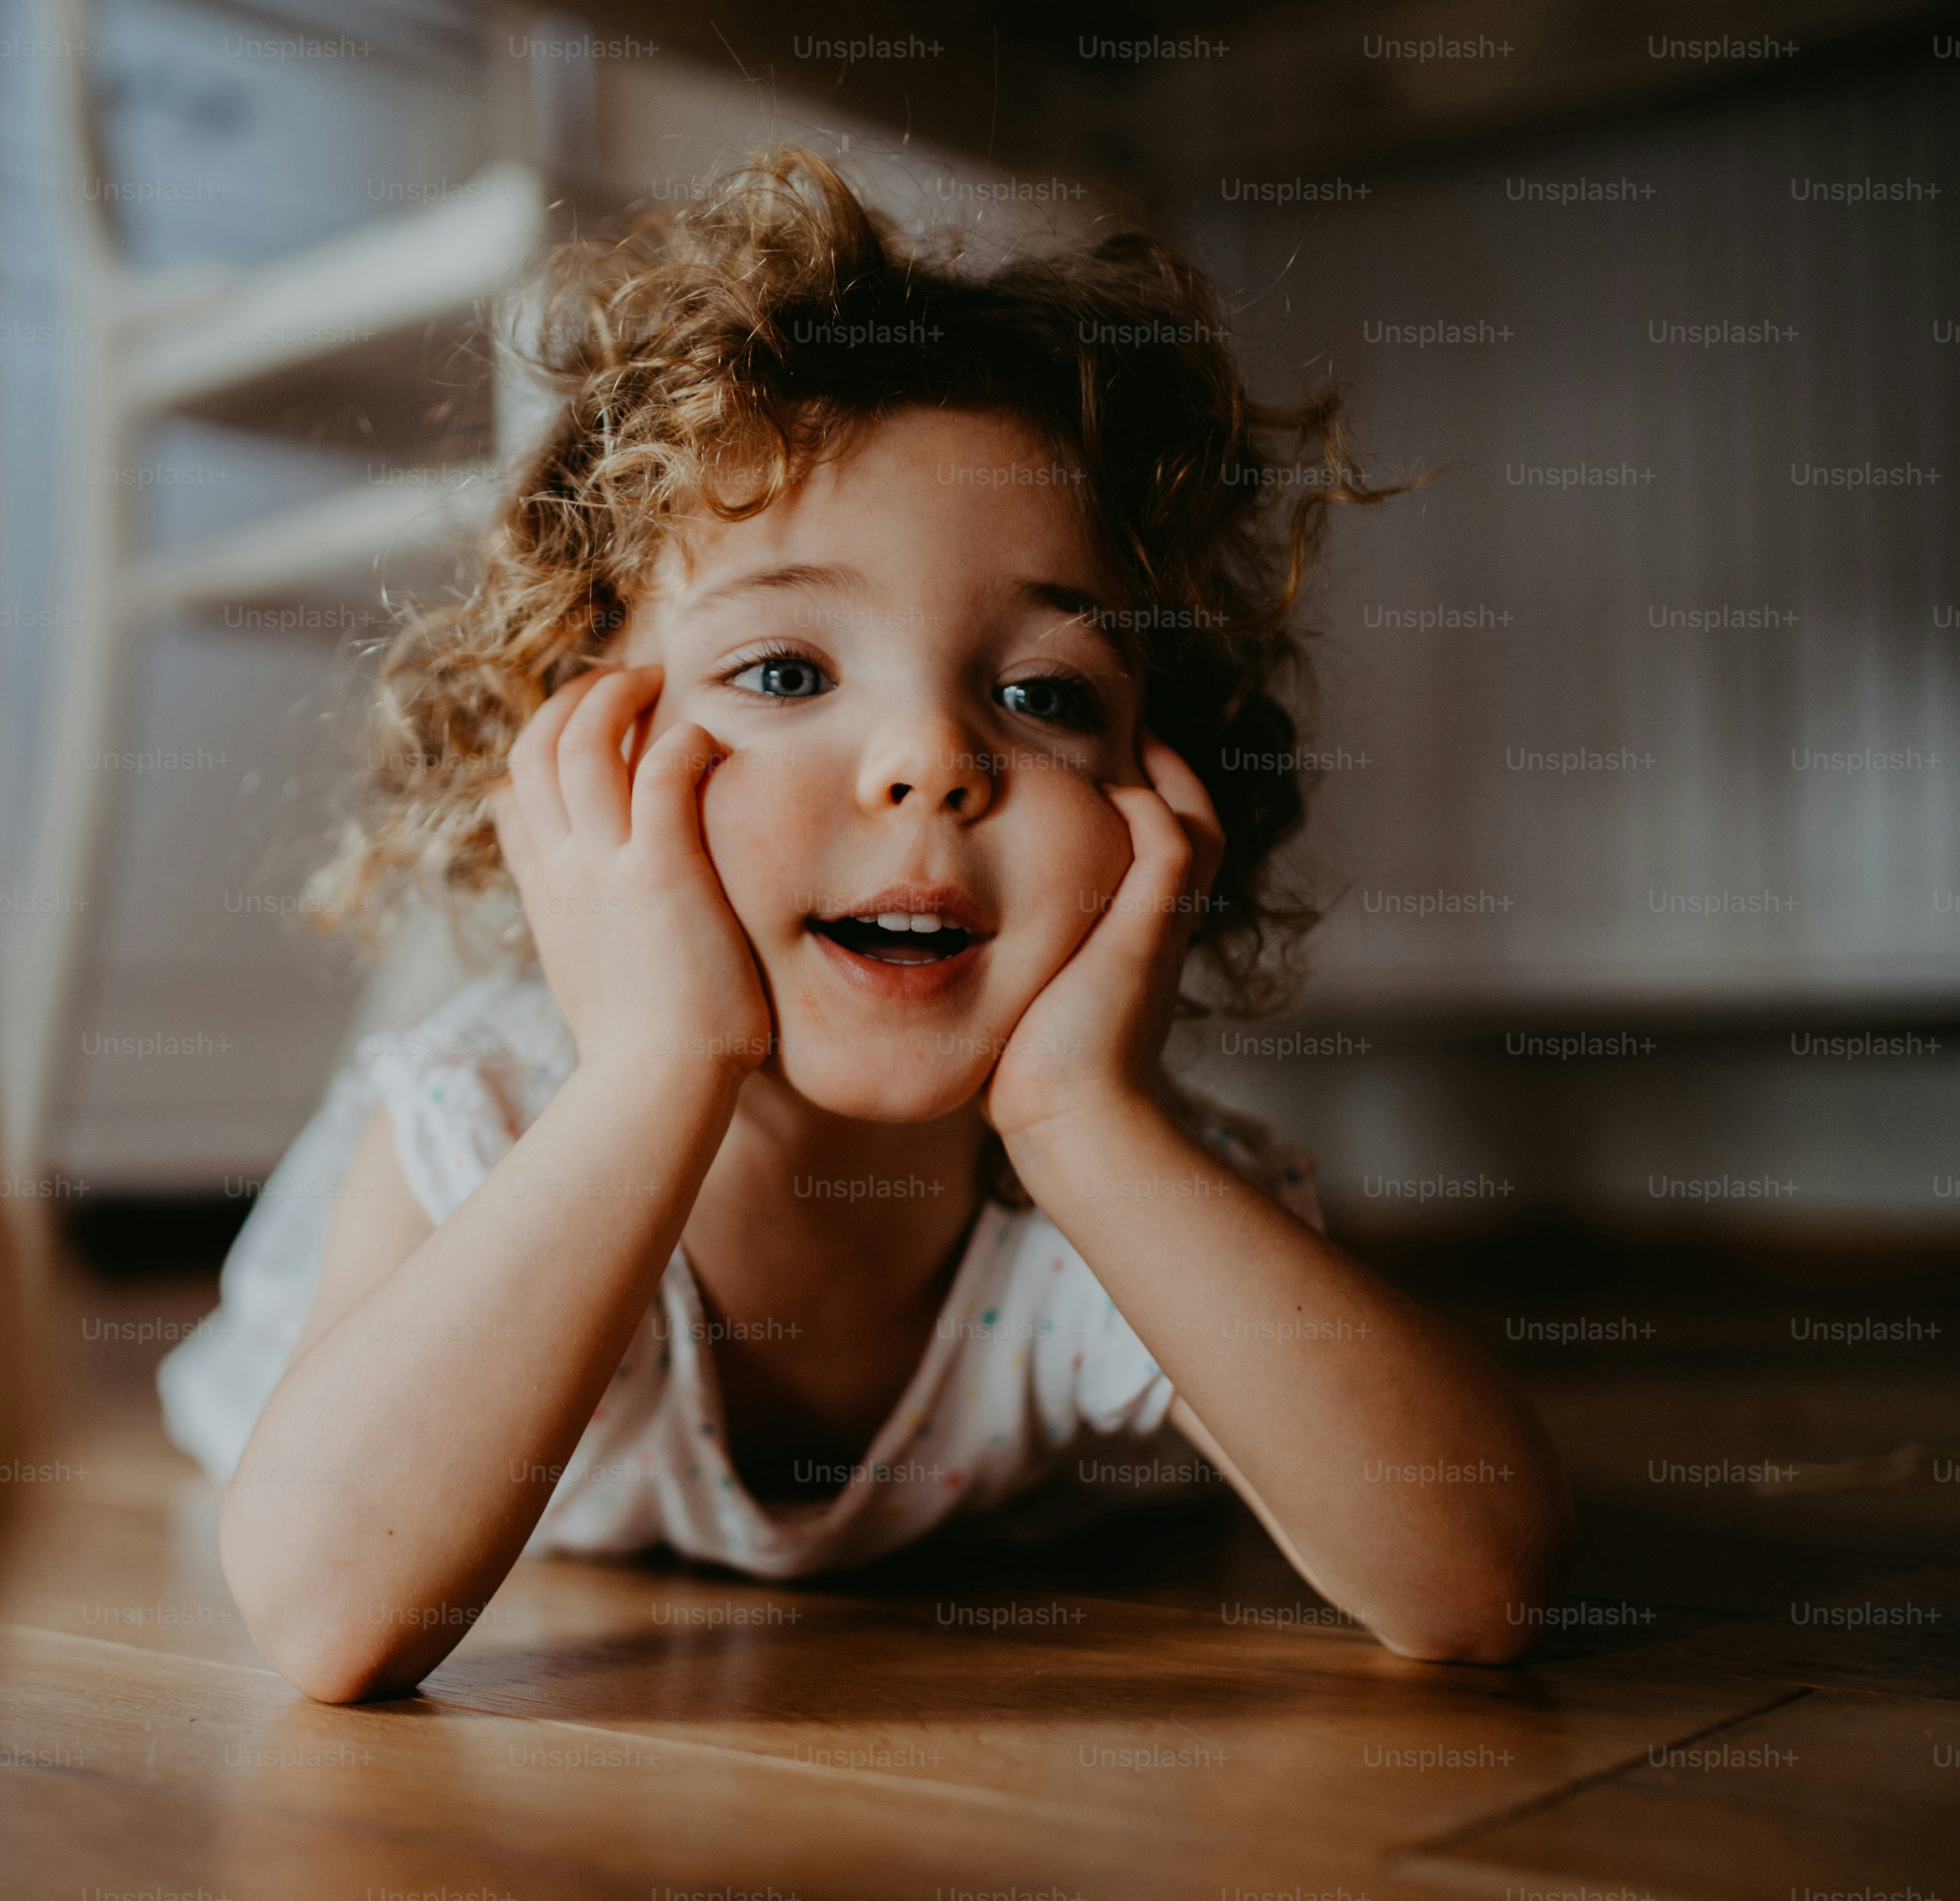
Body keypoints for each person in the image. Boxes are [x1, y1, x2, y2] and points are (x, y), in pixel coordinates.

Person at [158, 148, 1572, 1703]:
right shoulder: (475, 1112)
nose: (935, 761)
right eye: (783, 673)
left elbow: (1478, 1583)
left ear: (1162, 807)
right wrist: (651, 1066)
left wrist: (1080, 1119)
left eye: (1041, 695)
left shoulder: (1106, 1188)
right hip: (346, 1357)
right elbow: (320, 1615)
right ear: (587, 758)